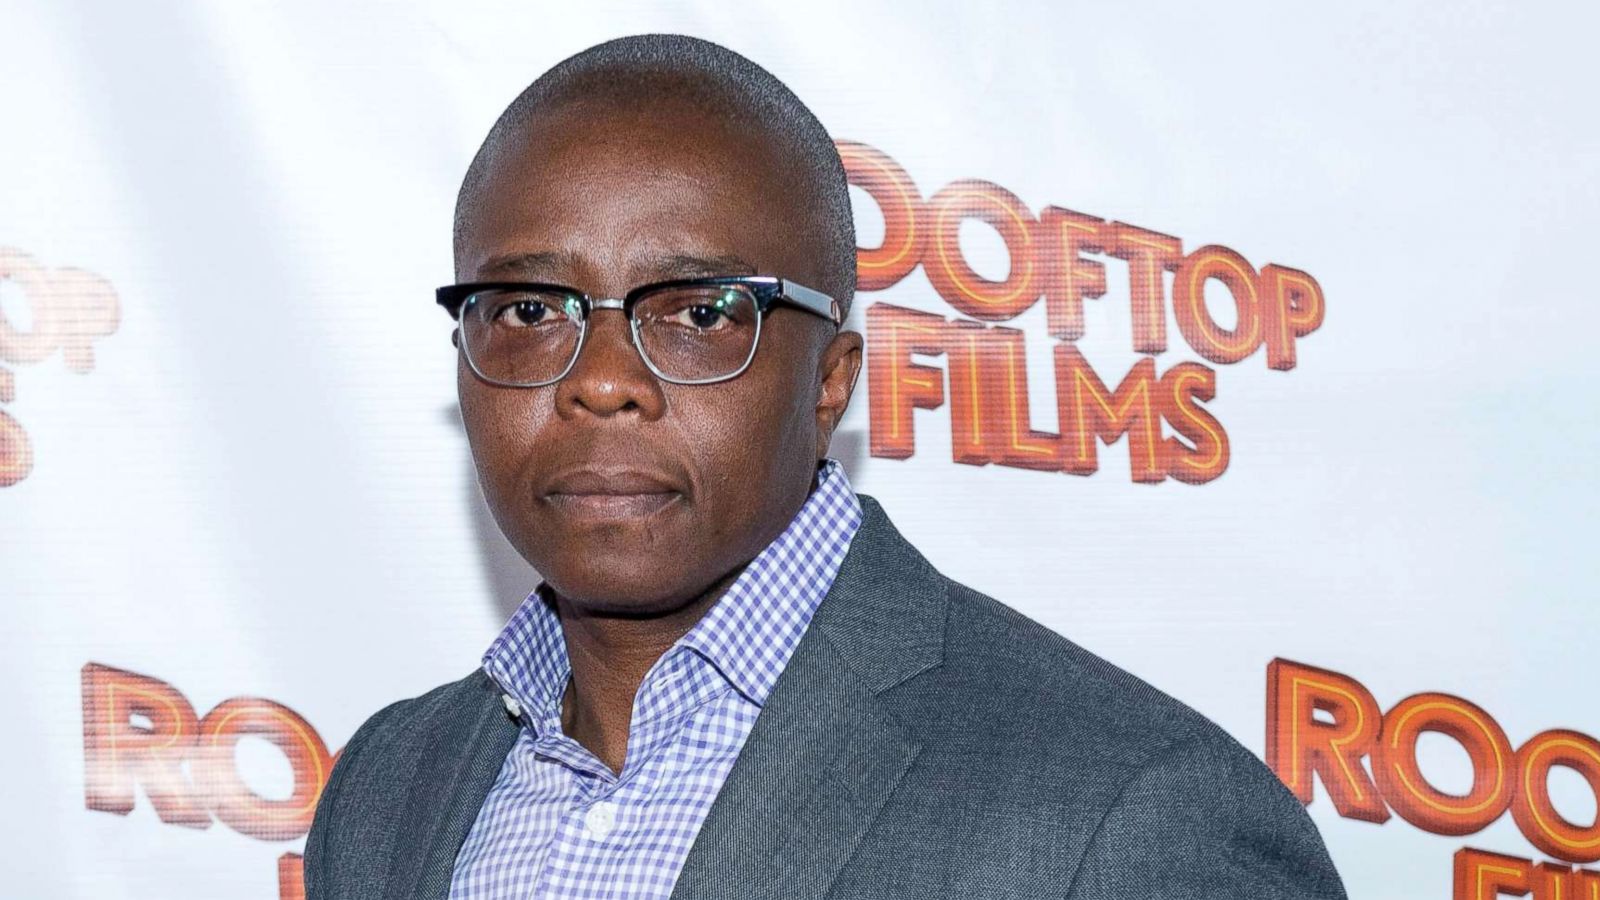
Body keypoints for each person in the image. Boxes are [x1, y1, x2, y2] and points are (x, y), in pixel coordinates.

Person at [304, 33, 1347, 900]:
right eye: (530, 310)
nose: (604, 380)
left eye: (701, 312)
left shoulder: (1129, 815)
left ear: (831, 381)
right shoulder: (391, 787)